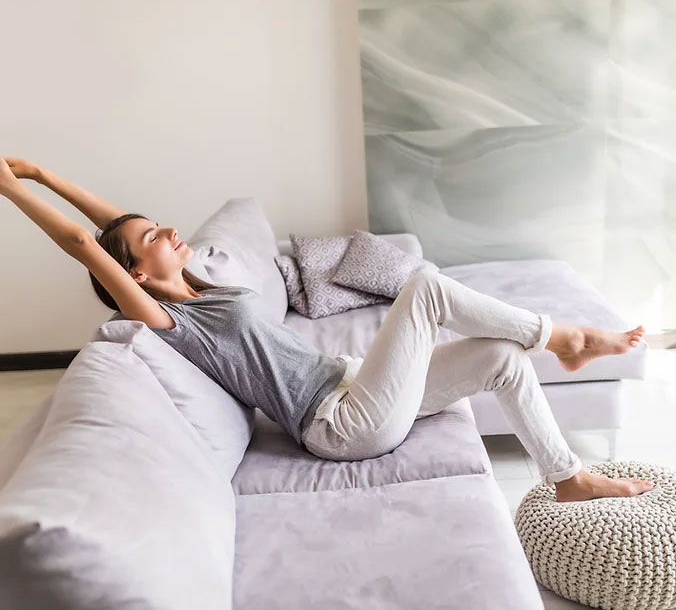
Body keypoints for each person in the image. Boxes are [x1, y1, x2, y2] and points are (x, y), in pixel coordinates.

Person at [0, 156, 654, 503]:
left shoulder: (200, 278)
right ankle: (562, 337)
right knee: (424, 289)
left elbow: (115, 225)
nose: (171, 230)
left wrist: (46, 172)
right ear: (136, 275)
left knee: (502, 361)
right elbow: (88, 243)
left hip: (353, 385)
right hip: (339, 427)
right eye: (153, 238)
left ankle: (566, 477)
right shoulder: (170, 319)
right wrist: (12, 189)